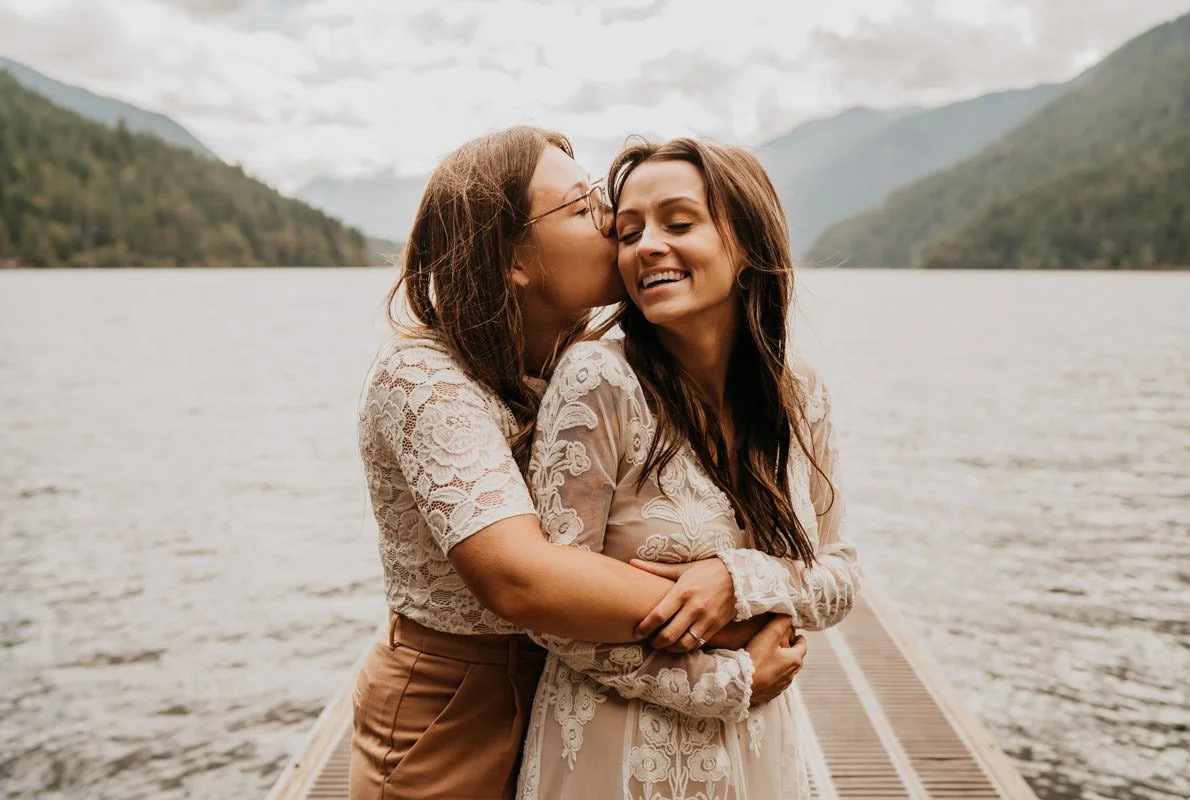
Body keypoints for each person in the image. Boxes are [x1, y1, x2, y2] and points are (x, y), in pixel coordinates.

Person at [351, 126, 808, 800]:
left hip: (575, 685)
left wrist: (743, 573)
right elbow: (521, 580)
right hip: (454, 707)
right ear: (513, 259)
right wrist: (735, 611)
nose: (615, 227)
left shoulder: (586, 364)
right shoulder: (420, 375)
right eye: (583, 207)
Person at [516, 138, 859, 800]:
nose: (646, 246)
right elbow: (552, 612)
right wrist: (726, 685)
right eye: (629, 230)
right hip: (623, 753)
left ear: (748, 244)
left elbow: (841, 575)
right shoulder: (599, 382)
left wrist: (739, 580)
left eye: (679, 223)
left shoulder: (799, 394)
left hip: (764, 749)